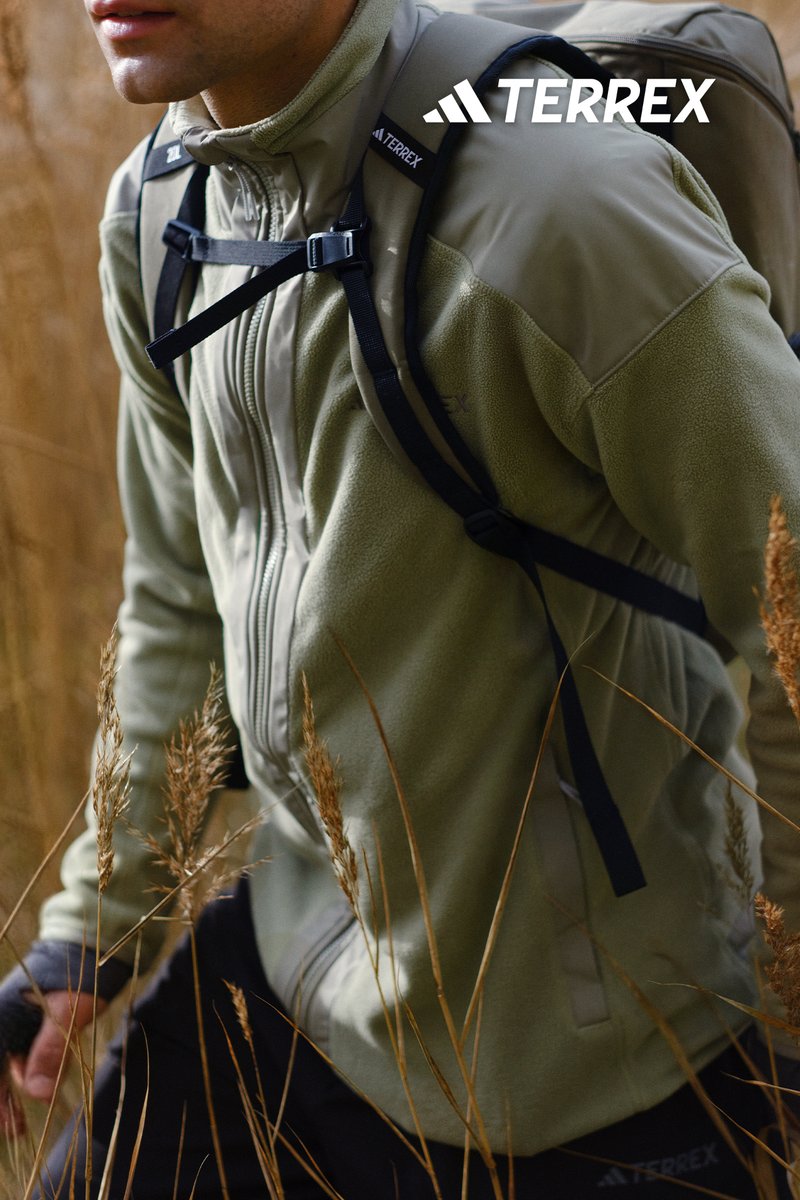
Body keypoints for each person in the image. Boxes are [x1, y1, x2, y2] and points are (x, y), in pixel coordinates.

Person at [3, 0, 800, 1195]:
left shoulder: (558, 207)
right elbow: (178, 601)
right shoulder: (161, 211)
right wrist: (89, 934)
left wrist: (789, 1024)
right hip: (299, 971)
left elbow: (789, 617)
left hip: (590, 1067)